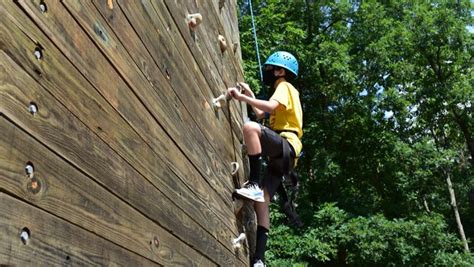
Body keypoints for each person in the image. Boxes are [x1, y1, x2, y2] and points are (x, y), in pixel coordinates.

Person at [228, 51, 303, 267]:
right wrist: (250, 93)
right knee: (262, 202)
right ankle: (260, 259)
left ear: (281, 71)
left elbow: (267, 109)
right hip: (286, 156)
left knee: (250, 128)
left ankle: (252, 182)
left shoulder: (285, 87)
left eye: (271, 69)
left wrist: (241, 97)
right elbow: (262, 113)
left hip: (285, 143)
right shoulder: (283, 92)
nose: (268, 73)